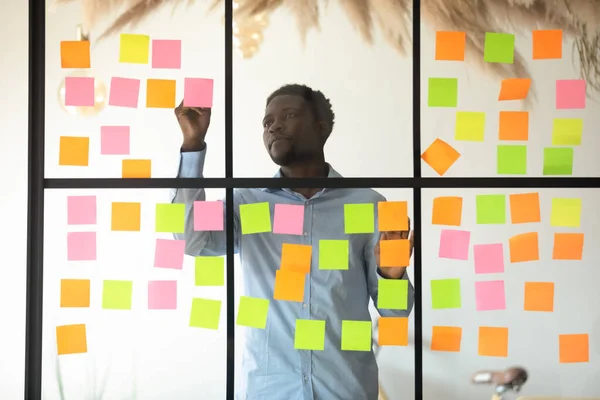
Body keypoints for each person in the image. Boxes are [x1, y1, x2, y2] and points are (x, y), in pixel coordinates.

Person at [171, 84, 415, 400]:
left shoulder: (370, 205)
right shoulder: (248, 203)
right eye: (267, 122)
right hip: (269, 392)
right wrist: (193, 145)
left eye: (289, 115)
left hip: (346, 391)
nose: (274, 126)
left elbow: (396, 314)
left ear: (321, 128)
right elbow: (190, 239)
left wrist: (392, 276)